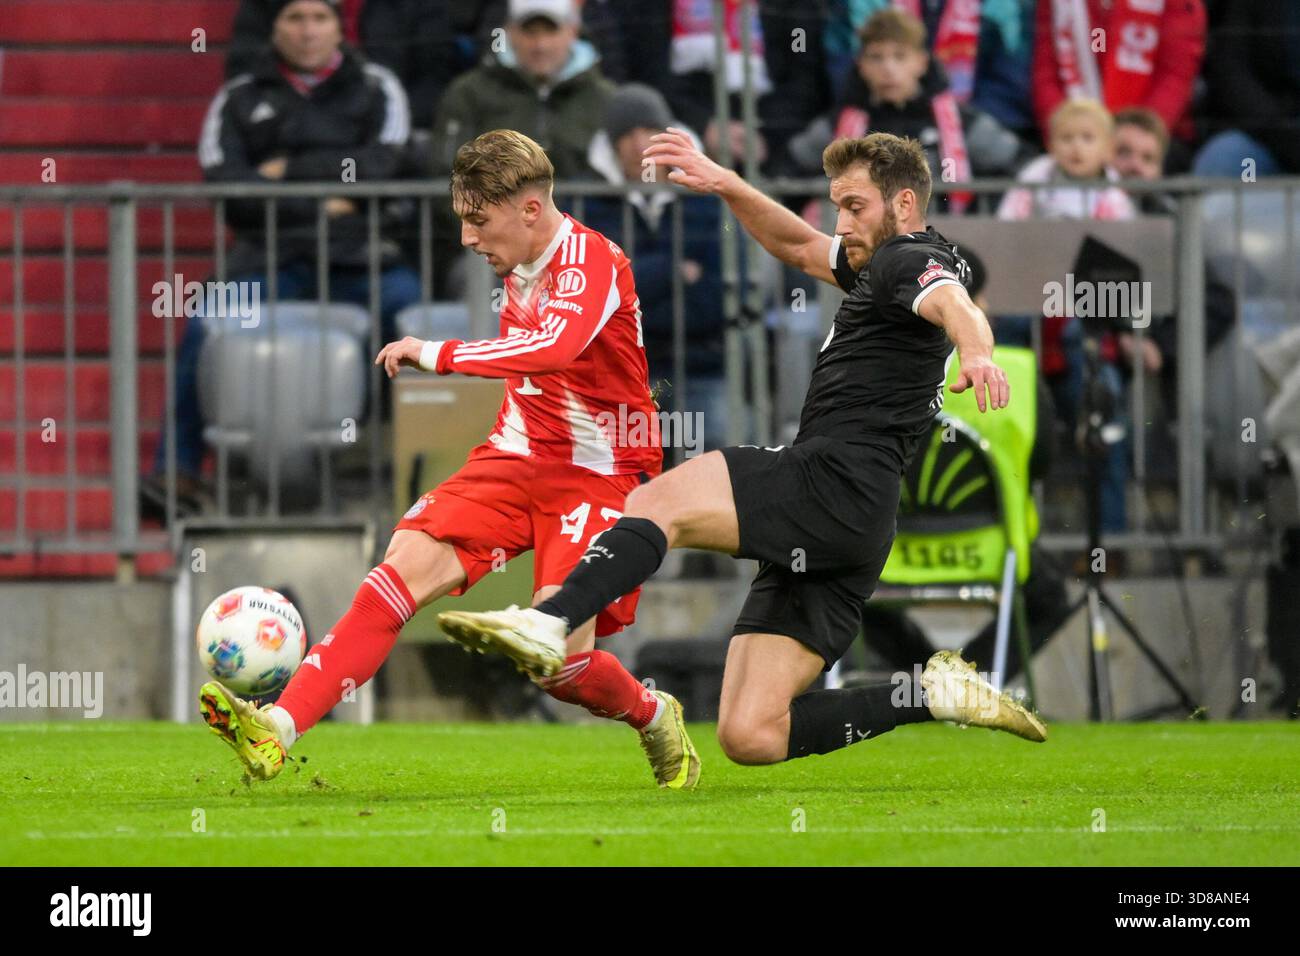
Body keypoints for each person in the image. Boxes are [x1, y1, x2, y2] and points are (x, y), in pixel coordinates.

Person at [435, 130, 1048, 768]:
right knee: (751, 735)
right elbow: (798, 246)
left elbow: (954, 304)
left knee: (657, 499)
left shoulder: (909, 259)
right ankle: (927, 694)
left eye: (855, 207)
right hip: (856, 522)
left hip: (830, 483)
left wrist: (976, 352)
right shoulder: (879, 262)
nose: (842, 223)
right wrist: (725, 182)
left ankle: (552, 621)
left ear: (903, 203)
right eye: (837, 206)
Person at [199, 130, 701, 791]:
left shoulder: (590, 259)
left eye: (477, 220)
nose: (467, 238)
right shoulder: (517, 261)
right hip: (514, 457)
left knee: (557, 665)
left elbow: (555, 348)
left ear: (529, 209)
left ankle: (650, 712)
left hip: (599, 473)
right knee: (394, 576)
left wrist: (437, 353)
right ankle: (277, 730)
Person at [142, 0, 421, 516]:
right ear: (274, 28)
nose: (308, 30)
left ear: (340, 26)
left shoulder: (377, 86)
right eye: (294, 18)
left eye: (319, 17)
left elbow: (387, 165)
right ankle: (176, 472)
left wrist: (285, 171)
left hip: (359, 257)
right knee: (207, 321)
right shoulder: (240, 96)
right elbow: (226, 185)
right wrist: (328, 196)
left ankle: (416, 468)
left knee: (413, 315)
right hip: (266, 257)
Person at [998, 98, 1135, 534]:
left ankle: (1108, 542)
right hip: (1027, 321)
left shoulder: (1116, 200)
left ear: (1108, 148)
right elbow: (1005, 236)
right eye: (1066, 138)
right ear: (1051, 144)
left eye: (1087, 139)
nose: (1076, 148)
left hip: (1086, 334)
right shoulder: (1031, 183)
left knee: (1104, 423)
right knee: (1005, 421)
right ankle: (1012, 537)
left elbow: (1123, 272)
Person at [583, 84, 727, 449]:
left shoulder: (705, 202)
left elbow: (716, 296)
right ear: (612, 146)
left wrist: (642, 294)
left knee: (707, 470)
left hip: (700, 363)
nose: (637, 143)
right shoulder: (593, 207)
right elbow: (601, 292)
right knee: (628, 476)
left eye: (648, 131)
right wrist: (674, 271)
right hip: (623, 371)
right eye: (626, 134)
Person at [788, 8, 1027, 214]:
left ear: (922, 62)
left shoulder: (961, 123)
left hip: (945, 251)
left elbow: (1023, 168)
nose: (888, 68)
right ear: (861, 64)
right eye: (876, 57)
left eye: (900, 57)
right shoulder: (837, 127)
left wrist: (978, 210)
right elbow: (787, 173)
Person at [223, 0, 455, 130]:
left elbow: (434, 82)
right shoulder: (266, 6)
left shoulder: (420, 6)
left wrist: (373, 125)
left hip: (381, 141)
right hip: (286, 141)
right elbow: (245, 75)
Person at [1030, 0, 1206, 154]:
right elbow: (1046, 73)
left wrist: (1132, 139)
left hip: (1150, 140)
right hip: (1074, 141)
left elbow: (1174, 77)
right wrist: (1068, 134)